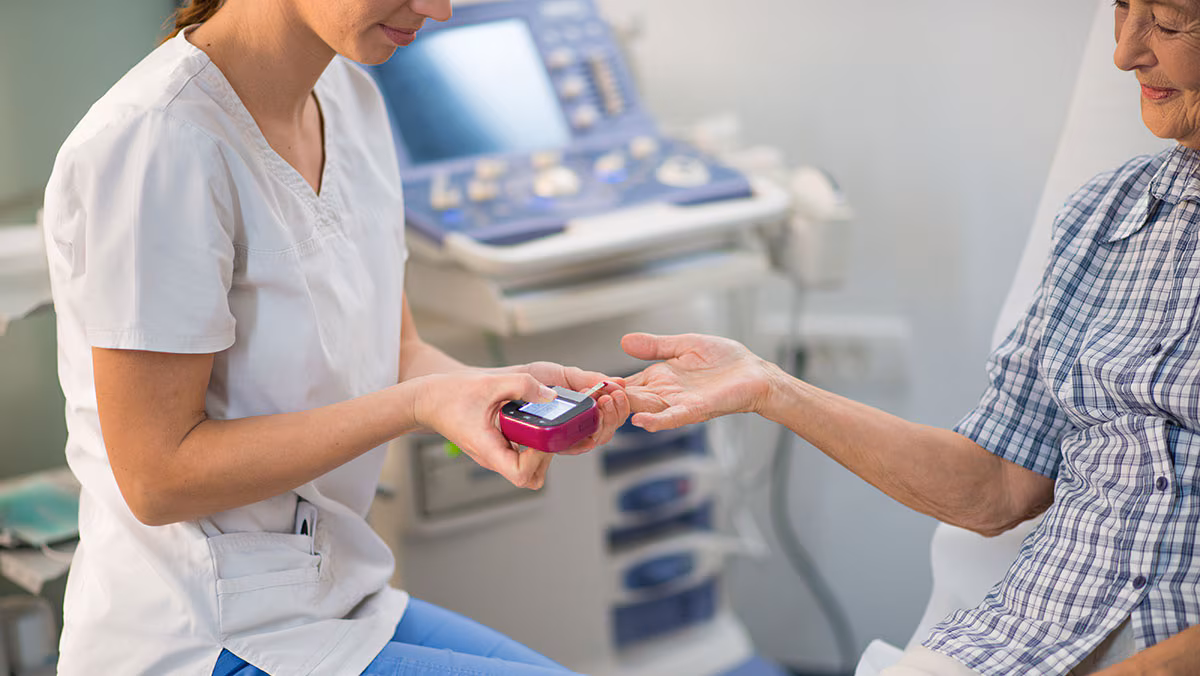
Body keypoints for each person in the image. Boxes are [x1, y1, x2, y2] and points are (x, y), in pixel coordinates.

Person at [39, 0, 630, 674]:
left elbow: (398, 353)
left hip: (336, 594)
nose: (436, 10)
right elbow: (157, 477)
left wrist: (500, 397)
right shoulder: (156, 142)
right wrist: (419, 406)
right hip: (202, 629)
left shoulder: (349, 95)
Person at [620, 1, 1200, 675]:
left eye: (1167, 21)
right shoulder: (1107, 215)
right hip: (1010, 648)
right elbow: (999, 485)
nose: (1124, 54)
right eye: (1122, 9)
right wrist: (768, 388)